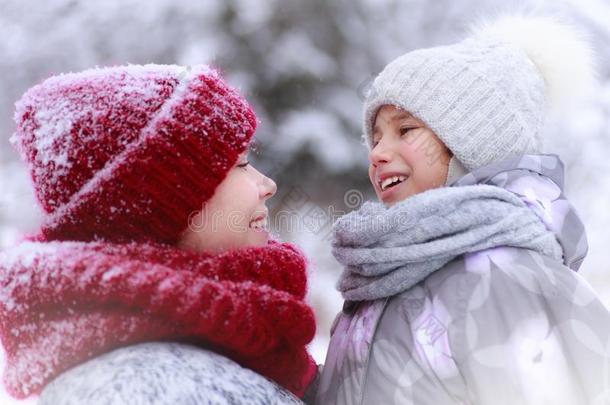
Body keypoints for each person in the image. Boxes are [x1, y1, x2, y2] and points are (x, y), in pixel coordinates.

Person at [314, 15, 610, 405]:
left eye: (405, 130)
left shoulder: (505, 278)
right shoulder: (383, 274)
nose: (377, 154)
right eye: (375, 137)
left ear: (472, 144)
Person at [0, 64, 317, 404]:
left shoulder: (212, 349)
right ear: (156, 208)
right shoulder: (152, 388)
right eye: (239, 164)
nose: (268, 185)